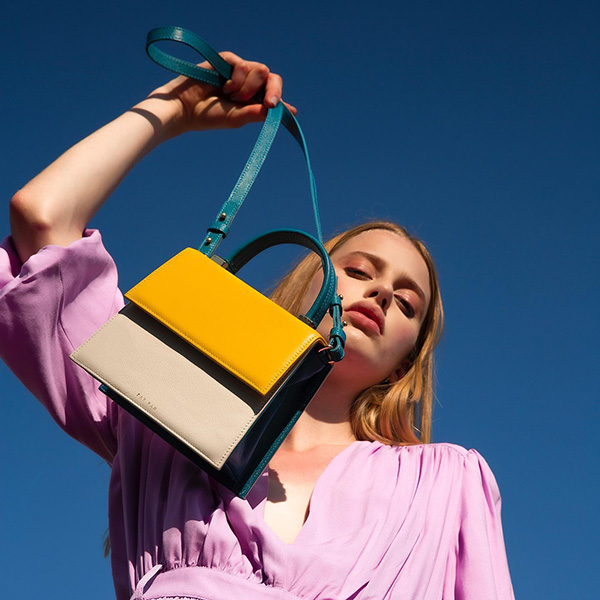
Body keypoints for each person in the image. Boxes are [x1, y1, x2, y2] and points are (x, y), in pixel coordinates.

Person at [1, 49, 515, 600]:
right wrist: (173, 110)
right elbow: (42, 217)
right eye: (360, 271)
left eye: (409, 303)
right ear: (309, 280)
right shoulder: (163, 411)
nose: (383, 293)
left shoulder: (444, 482)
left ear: (409, 358)